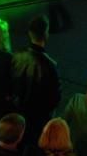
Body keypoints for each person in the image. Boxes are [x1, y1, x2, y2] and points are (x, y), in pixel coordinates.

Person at [10, 15, 61, 146]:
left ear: (29, 33)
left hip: (18, 114)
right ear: (46, 34)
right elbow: (55, 98)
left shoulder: (16, 57)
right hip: (38, 120)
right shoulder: (50, 65)